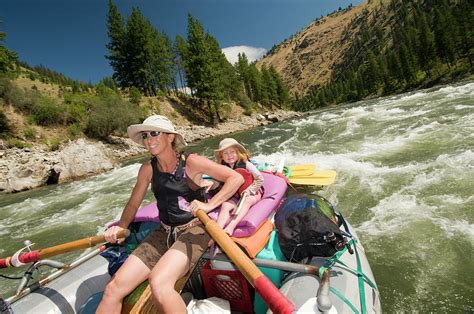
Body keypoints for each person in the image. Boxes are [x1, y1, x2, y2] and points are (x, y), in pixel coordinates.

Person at [96, 115, 243, 313]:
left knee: (159, 283)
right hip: (164, 231)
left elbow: (235, 178)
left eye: (155, 133)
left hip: (194, 231)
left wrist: (210, 205)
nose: (149, 139)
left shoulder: (191, 162)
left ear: (170, 137)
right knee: (113, 289)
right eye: (146, 135)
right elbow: (133, 203)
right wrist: (122, 226)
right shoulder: (147, 169)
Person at [213, 138, 264, 236]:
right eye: (225, 153)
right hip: (235, 196)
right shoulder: (222, 168)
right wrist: (212, 184)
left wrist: (250, 190)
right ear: (221, 156)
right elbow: (218, 181)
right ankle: (217, 231)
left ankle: (231, 227)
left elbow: (260, 179)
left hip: (253, 193)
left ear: (238, 152)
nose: (229, 155)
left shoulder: (247, 164)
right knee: (225, 205)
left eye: (232, 152)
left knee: (247, 201)